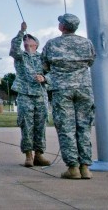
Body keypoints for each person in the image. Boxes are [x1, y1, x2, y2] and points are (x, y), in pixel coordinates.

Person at [41, 13, 96, 180]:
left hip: (62, 89)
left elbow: (44, 64)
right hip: (83, 88)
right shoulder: (86, 43)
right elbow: (91, 61)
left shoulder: (52, 44)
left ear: (62, 27)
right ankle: (85, 167)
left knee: (66, 129)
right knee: (84, 128)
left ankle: (73, 167)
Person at [9, 21, 51, 167]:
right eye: (26, 38)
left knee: (40, 125)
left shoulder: (43, 58)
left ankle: (39, 154)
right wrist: (21, 32)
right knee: (26, 124)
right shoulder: (21, 56)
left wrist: (45, 78)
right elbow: (14, 47)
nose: (27, 38)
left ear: (36, 44)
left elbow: (53, 74)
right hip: (25, 94)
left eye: (29, 38)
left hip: (40, 95)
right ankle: (28, 155)